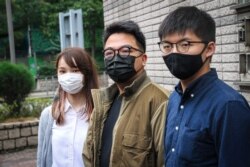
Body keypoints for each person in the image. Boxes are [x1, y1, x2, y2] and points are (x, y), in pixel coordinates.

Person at [158, 6, 250, 167]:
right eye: (167, 46)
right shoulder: (174, 98)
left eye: (184, 44)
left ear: (209, 49)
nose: (173, 52)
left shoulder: (229, 106)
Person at [82, 20, 170, 167]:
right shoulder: (103, 101)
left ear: (143, 59)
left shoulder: (161, 101)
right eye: (109, 53)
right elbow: (89, 154)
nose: (116, 58)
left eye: (125, 51)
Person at [37, 47, 99, 167]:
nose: (68, 76)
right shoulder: (48, 115)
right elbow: (42, 158)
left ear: (87, 74)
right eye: (62, 71)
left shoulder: (99, 114)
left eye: (75, 70)